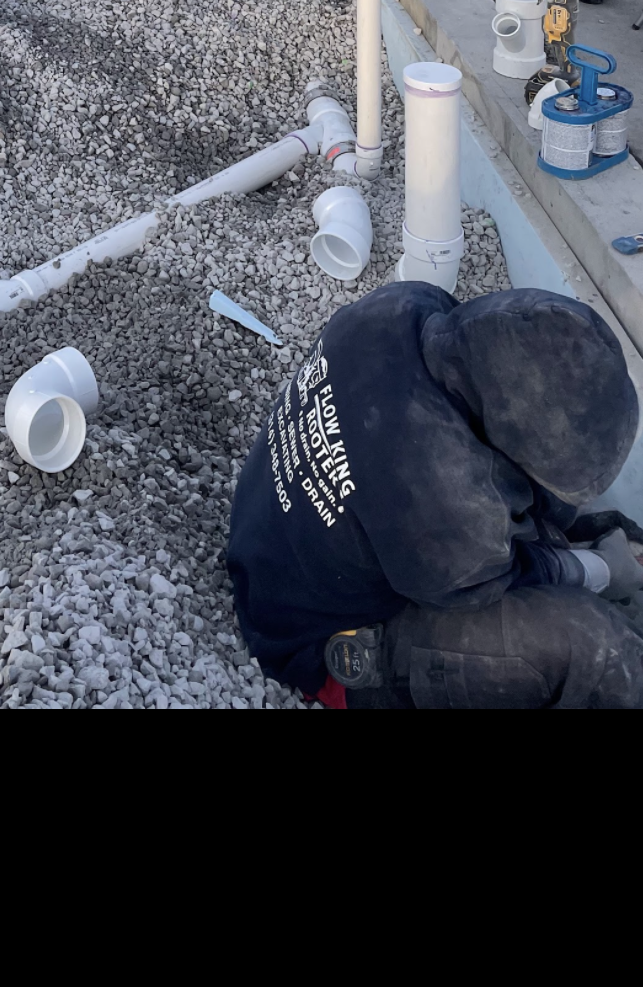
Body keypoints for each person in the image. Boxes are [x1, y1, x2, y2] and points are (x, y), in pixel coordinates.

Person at [227, 282, 643, 710]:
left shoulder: (401, 306)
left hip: (267, 536)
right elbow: (509, 575)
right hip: (323, 644)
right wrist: (601, 570)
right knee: (593, 646)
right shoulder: (445, 495)